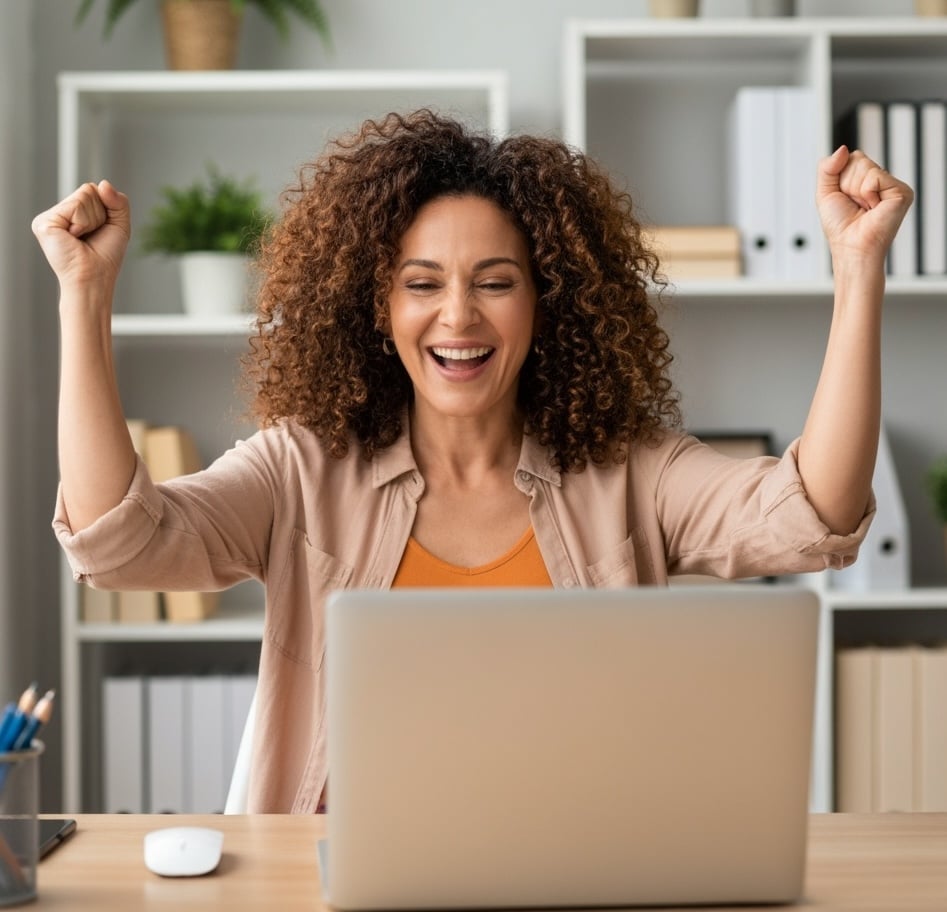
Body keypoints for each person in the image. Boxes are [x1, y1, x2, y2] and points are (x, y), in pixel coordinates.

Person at [33, 109, 913, 813]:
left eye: (495, 282)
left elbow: (815, 517)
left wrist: (857, 267)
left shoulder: (628, 470)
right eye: (421, 284)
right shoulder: (299, 469)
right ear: (377, 309)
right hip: (342, 871)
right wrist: (85, 295)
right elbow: (121, 546)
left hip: (580, 863)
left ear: (546, 302)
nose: (458, 317)